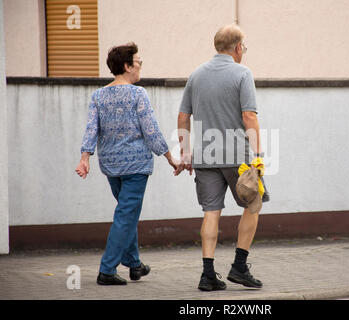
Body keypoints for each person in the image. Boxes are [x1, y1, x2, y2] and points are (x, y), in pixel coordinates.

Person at [75, 42, 180, 285]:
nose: (140, 66)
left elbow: (92, 129)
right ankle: (107, 269)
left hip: (111, 166)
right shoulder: (138, 94)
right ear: (127, 65)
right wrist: (169, 157)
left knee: (127, 214)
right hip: (135, 167)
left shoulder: (98, 96)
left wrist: (85, 157)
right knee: (125, 215)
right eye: (138, 62)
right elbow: (151, 130)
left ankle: (134, 265)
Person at [177, 24, 269, 291]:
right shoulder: (242, 73)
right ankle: (239, 267)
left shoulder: (196, 74)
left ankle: (208, 275)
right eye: (244, 47)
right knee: (253, 204)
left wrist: (185, 152)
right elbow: (249, 116)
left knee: (211, 212)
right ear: (238, 47)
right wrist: (259, 154)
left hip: (205, 156)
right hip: (237, 156)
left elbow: (184, 116)